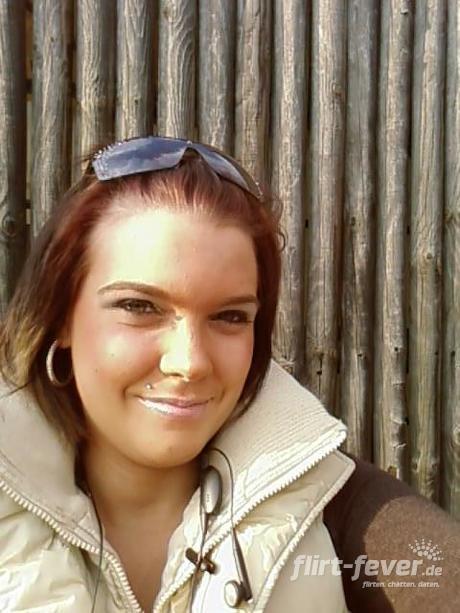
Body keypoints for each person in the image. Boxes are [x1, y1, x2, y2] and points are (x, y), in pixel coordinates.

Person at [0, 136, 458, 613]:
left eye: (230, 316)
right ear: (61, 316)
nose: (190, 361)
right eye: (139, 307)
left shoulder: (327, 499)